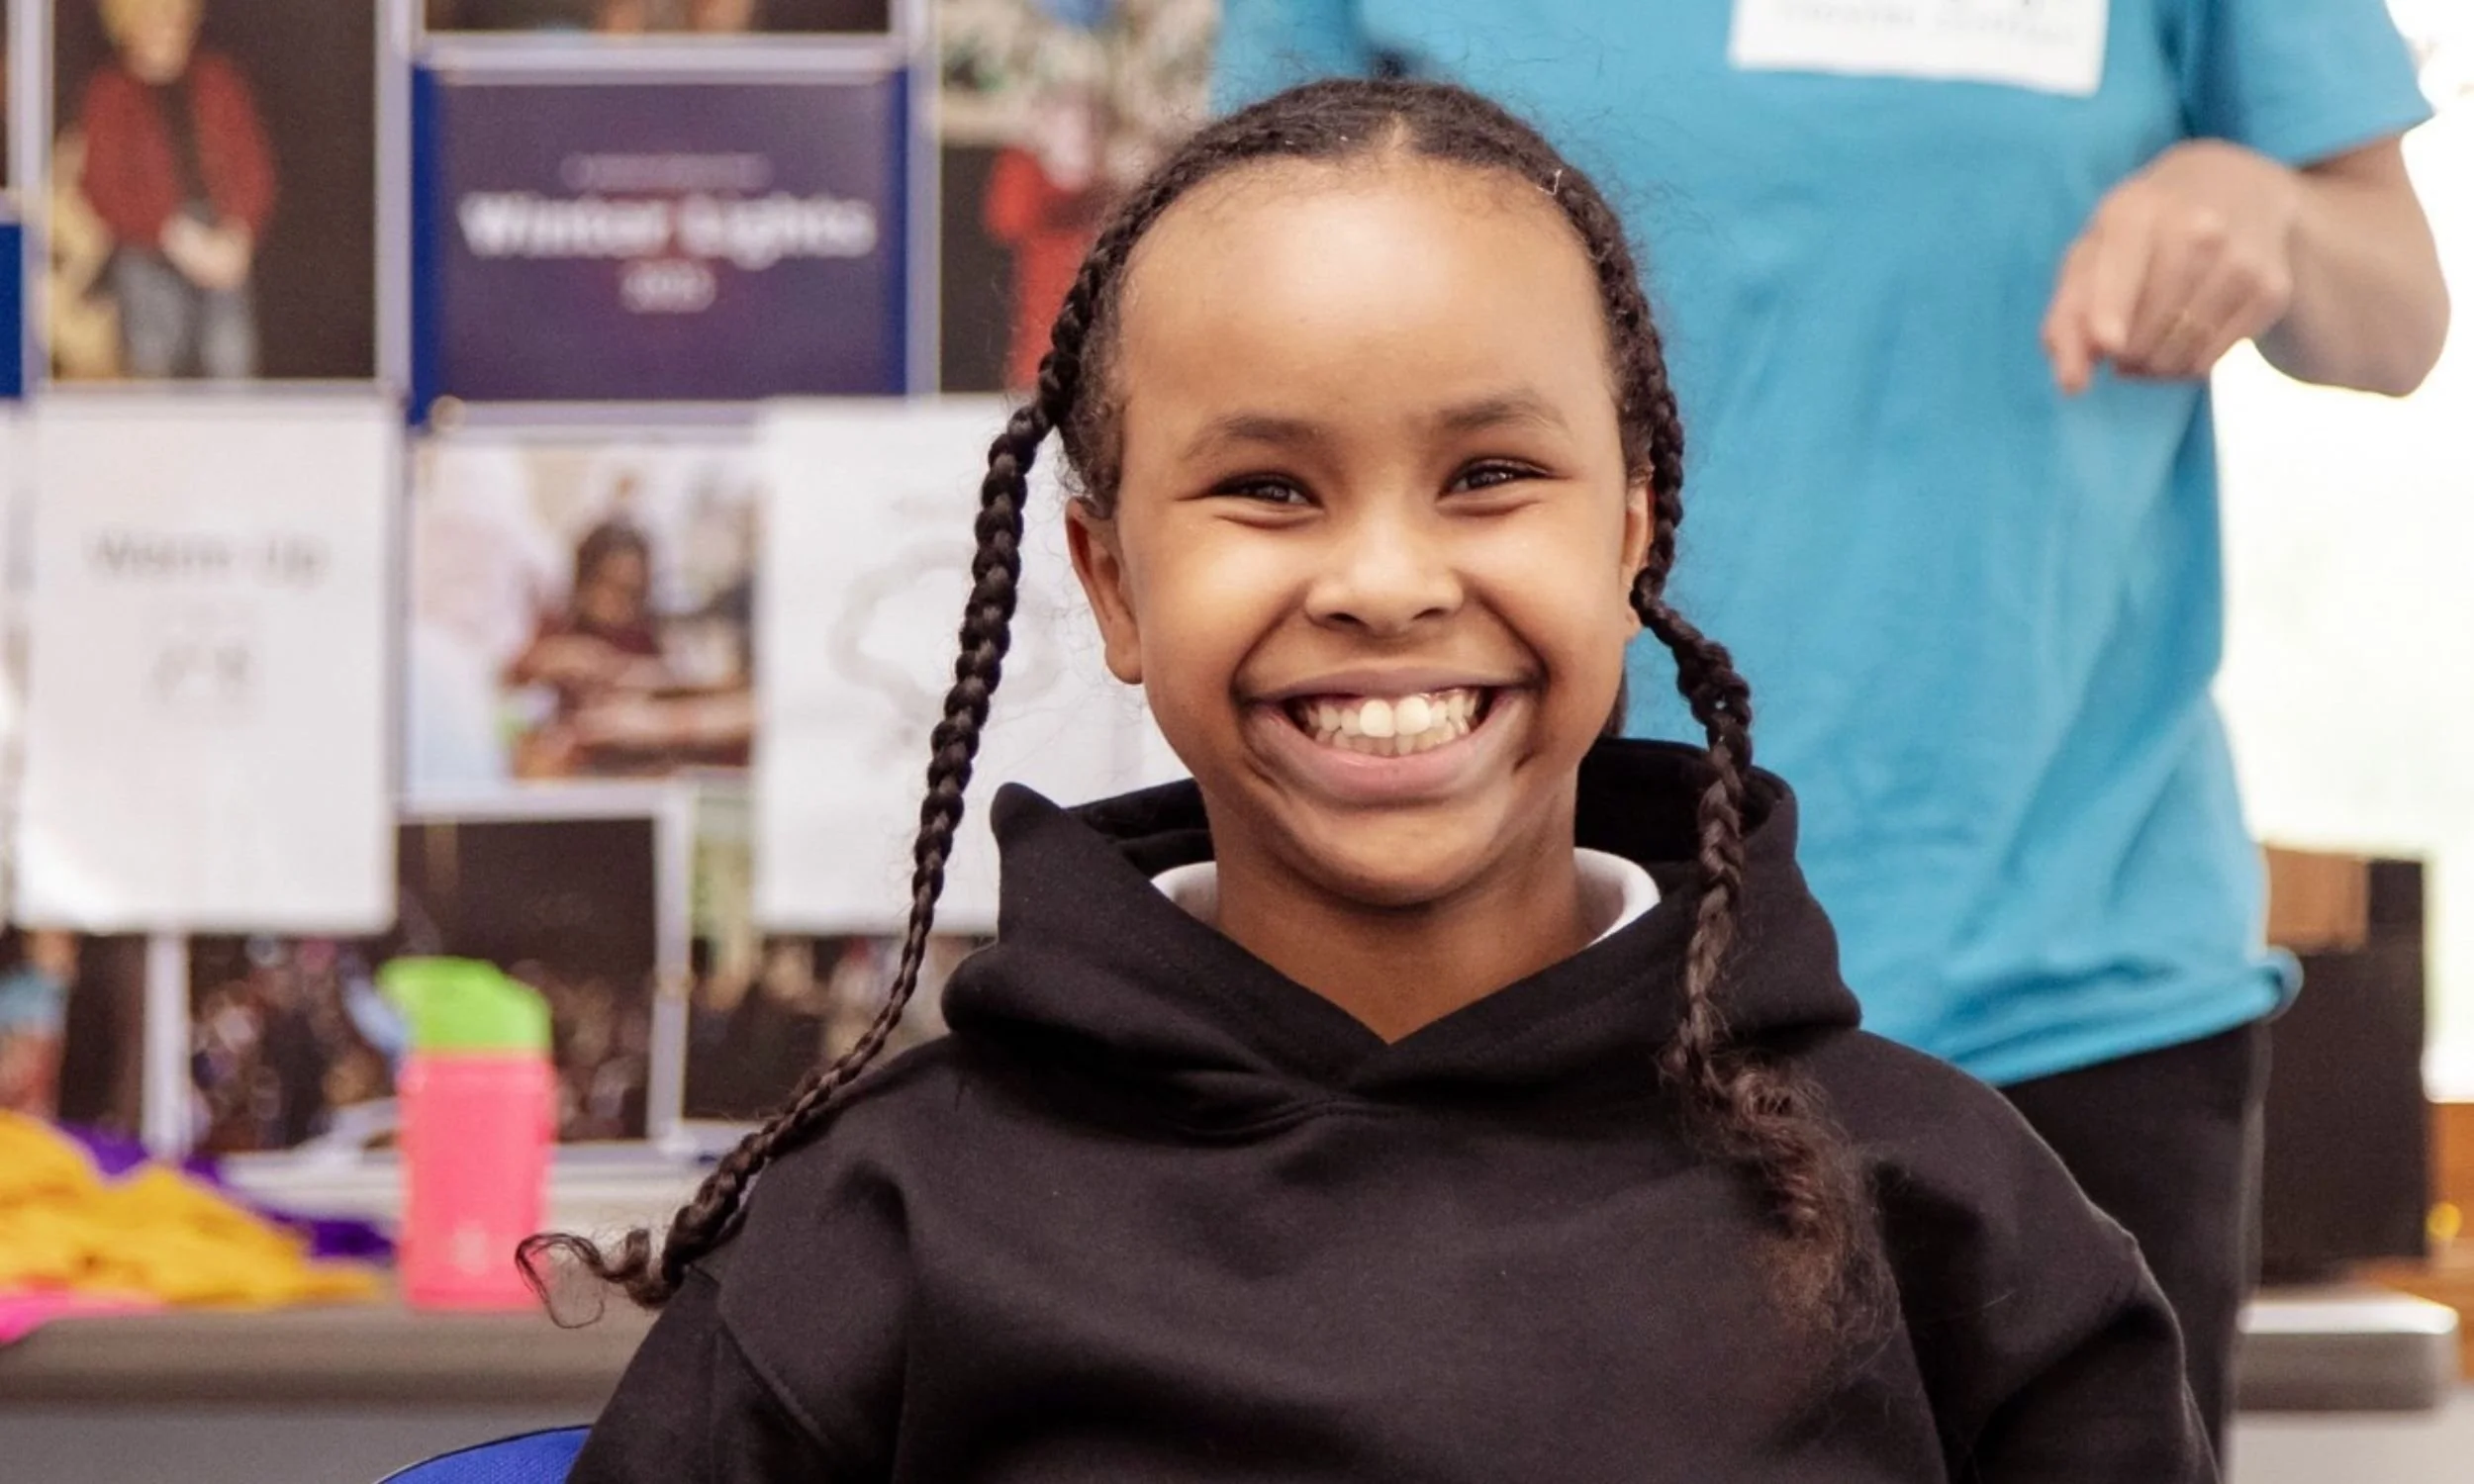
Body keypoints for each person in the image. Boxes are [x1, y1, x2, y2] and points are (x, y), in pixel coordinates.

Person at [549, 80, 2212, 1482]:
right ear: (1113, 584)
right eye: (1268, 488)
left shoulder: (1949, 1217)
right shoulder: (887, 1227)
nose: (1387, 579)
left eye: (1490, 476)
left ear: (1632, 530)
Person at [1216, 1, 2450, 1457]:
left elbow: (2399, 309)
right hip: (1526, 996)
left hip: (2068, 987)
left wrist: (2271, 209)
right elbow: (1239, 286)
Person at [77, 0, 276, 380]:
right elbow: (102, 185)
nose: (167, 27)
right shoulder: (110, 93)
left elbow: (254, 167)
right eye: (153, 18)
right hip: (148, 249)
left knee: (231, 368)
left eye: (176, 17)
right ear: (126, 26)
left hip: (220, 244)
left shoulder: (218, 81)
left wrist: (240, 233)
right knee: (153, 374)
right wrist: (170, 234)